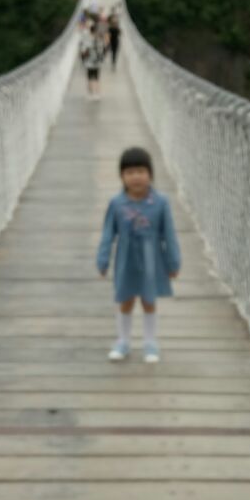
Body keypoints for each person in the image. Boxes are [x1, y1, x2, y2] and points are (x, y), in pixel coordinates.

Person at [96, 147, 181, 363]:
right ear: (122, 177)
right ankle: (123, 341)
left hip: (152, 259)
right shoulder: (116, 204)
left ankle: (150, 343)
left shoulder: (161, 203)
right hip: (126, 258)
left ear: (150, 174)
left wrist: (173, 262)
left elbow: (169, 235)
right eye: (130, 172)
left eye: (141, 171)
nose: (136, 177)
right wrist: (103, 259)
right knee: (125, 299)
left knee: (148, 300)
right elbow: (108, 233)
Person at [80, 22, 104, 100]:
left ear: (90, 30)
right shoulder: (99, 40)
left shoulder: (87, 39)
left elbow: (83, 50)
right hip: (97, 62)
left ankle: (90, 93)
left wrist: (83, 58)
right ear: (96, 31)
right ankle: (97, 94)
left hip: (89, 61)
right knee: (97, 77)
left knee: (89, 77)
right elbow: (101, 51)